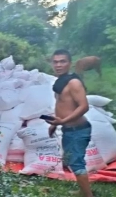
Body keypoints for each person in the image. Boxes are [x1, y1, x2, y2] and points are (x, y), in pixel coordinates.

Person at [46, 49, 93, 197]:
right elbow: (62, 105)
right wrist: (55, 123)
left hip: (78, 130)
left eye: (62, 61)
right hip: (69, 129)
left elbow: (84, 106)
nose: (58, 65)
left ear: (70, 63)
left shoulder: (73, 83)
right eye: (55, 62)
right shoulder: (60, 82)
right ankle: (82, 191)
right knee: (73, 161)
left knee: (77, 163)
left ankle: (88, 195)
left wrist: (63, 121)